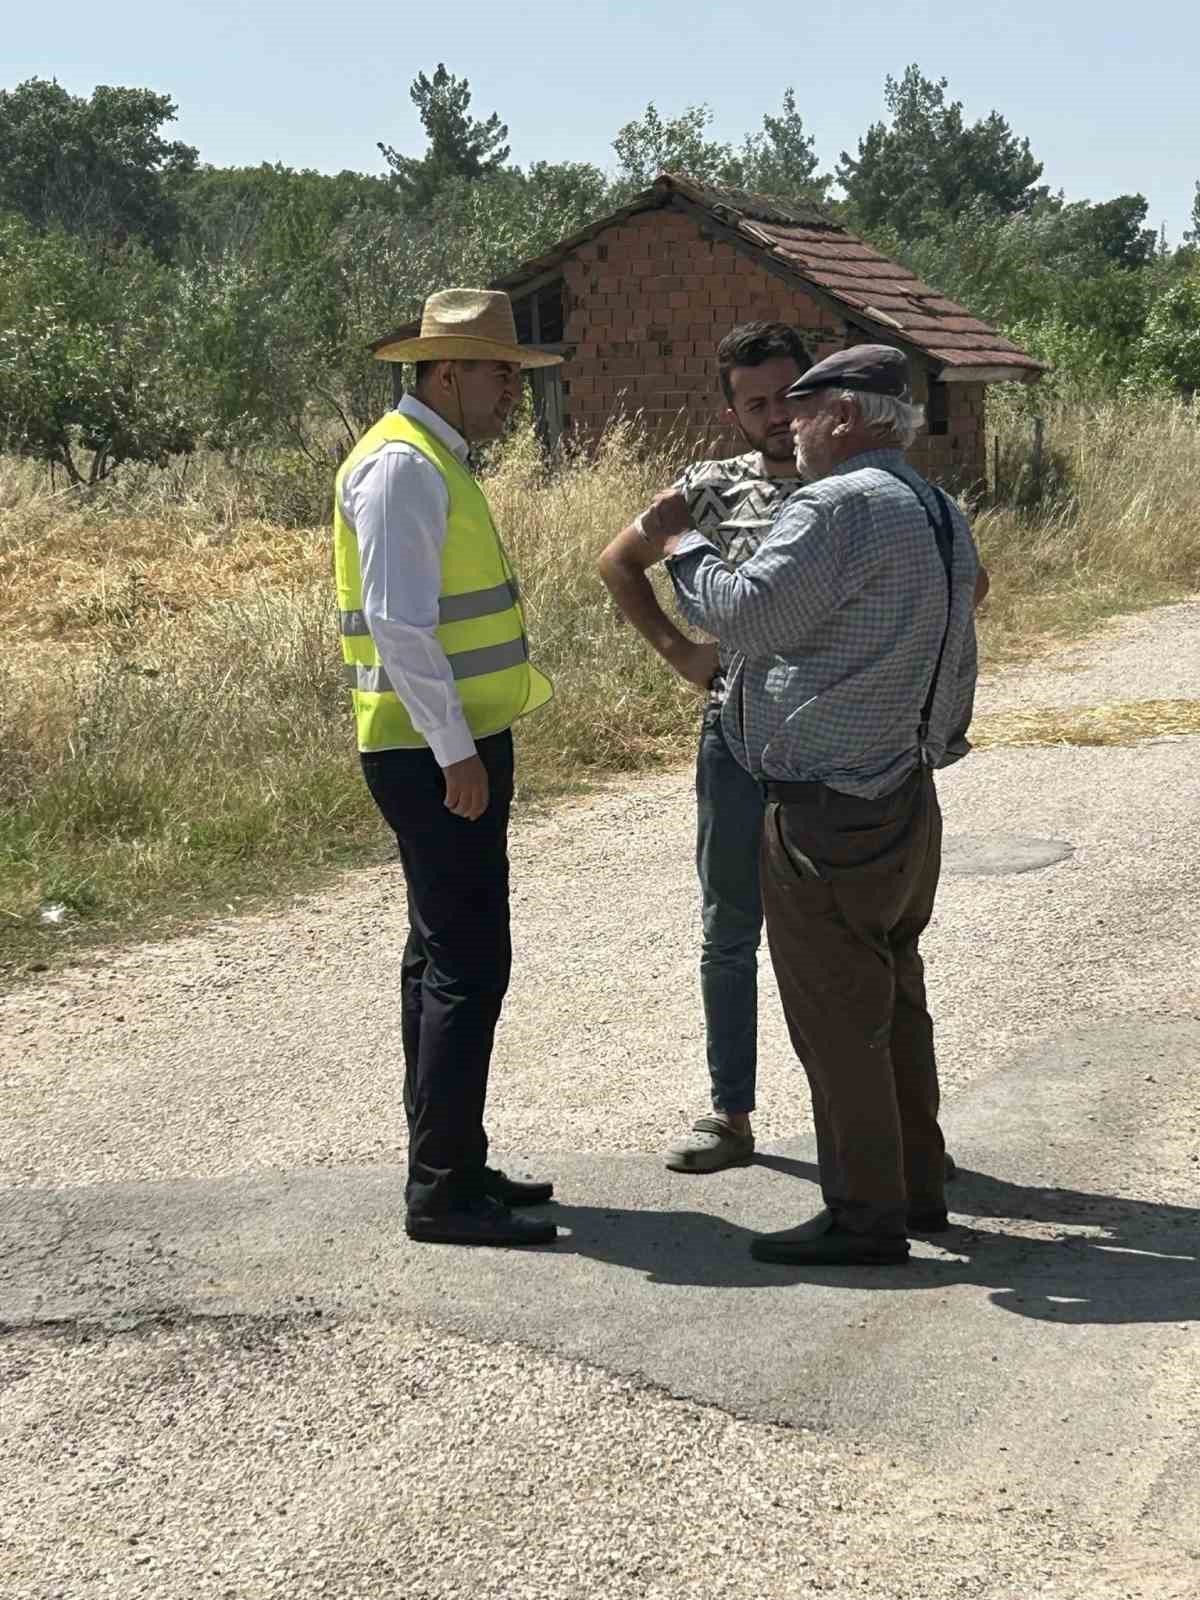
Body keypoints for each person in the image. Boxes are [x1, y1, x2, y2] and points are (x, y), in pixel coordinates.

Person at [647, 345, 985, 1267]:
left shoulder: (835, 504)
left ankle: (865, 1217)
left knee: (837, 1015)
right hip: (906, 791)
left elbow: (744, 615)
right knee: (896, 996)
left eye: (800, 411)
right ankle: (918, 1185)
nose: (787, 428)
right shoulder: (937, 507)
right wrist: (934, 741)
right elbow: (965, 631)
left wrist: (681, 541)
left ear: (842, 414)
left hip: (830, 804)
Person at [333, 288, 560, 1249]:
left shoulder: (431, 459)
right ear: (442, 372)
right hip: (432, 751)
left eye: (516, 373)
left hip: (442, 745)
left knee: (441, 959)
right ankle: (442, 1190)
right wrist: (456, 752)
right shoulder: (402, 467)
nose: (511, 388)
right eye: (498, 372)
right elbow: (398, 622)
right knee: (467, 963)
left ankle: (453, 1162)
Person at [599, 323, 807, 1174]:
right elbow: (619, 560)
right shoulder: (712, 490)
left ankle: (880, 1126)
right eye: (755, 401)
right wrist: (679, 653)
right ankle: (732, 1118)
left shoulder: (859, 483)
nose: (776, 416)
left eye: (788, 396)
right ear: (732, 410)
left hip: (832, 748)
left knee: (840, 939)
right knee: (729, 931)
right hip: (733, 739)